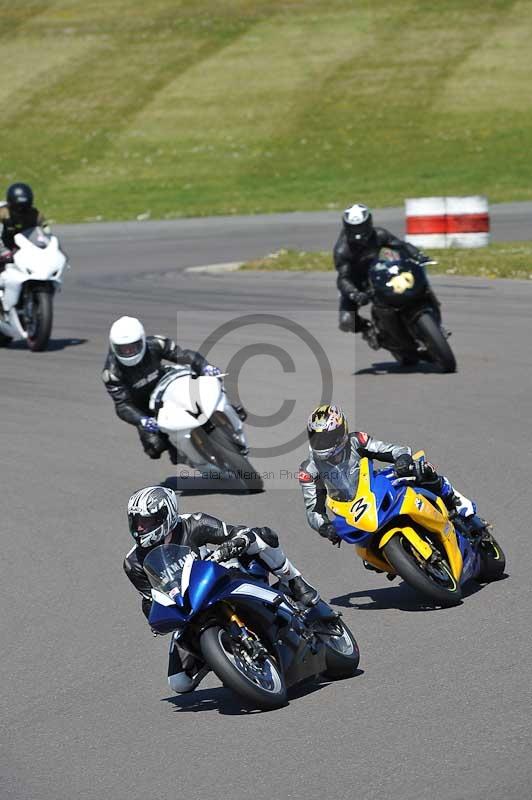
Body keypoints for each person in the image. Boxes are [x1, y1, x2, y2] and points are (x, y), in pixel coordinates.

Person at [123, 485, 320, 693]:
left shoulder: (194, 523)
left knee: (261, 537)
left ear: (166, 514)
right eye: (135, 522)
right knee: (179, 683)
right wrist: (155, 617)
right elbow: (149, 598)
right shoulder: (133, 563)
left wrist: (236, 542)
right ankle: (219, 654)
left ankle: (294, 582)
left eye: (146, 521)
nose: (140, 528)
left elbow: (237, 532)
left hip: (217, 577)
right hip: (186, 607)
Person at [299, 404, 486, 551]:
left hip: (374, 486)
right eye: (317, 438)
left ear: (341, 431)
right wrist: (325, 528)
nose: (322, 443)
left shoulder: (356, 441)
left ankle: (454, 500)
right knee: (366, 557)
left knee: (421, 469)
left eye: (328, 437)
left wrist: (402, 459)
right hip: (351, 510)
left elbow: (390, 449)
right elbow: (313, 510)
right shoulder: (309, 470)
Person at [102, 316, 246, 463]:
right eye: (123, 349)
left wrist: (205, 366)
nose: (129, 352)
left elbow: (184, 356)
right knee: (155, 447)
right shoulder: (112, 373)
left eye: (133, 347)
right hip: (145, 407)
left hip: (168, 383)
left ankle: (230, 410)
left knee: (206, 381)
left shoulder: (157, 343)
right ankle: (197, 460)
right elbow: (122, 404)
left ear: (142, 341)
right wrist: (142, 420)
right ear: (114, 347)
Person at [334, 203, 428, 335]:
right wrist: (354, 293)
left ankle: (427, 307)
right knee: (346, 321)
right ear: (346, 226)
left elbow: (401, 246)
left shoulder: (379, 234)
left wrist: (418, 255)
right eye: (354, 228)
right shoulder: (342, 250)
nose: (358, 233)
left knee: (415, 279)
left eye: (361, 227)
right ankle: (369, 330)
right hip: (358, 282)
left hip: (382, 271)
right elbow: (343, 278)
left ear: (369, 223)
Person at [0, 183, 48, 271]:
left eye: (24, 208)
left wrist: (52, 249)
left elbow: (46, 233)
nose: (21, 211)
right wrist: (4, 252)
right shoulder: (2, 213)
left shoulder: (36, 215)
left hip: (25, 250)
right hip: (4, 248)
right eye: (17, 207)